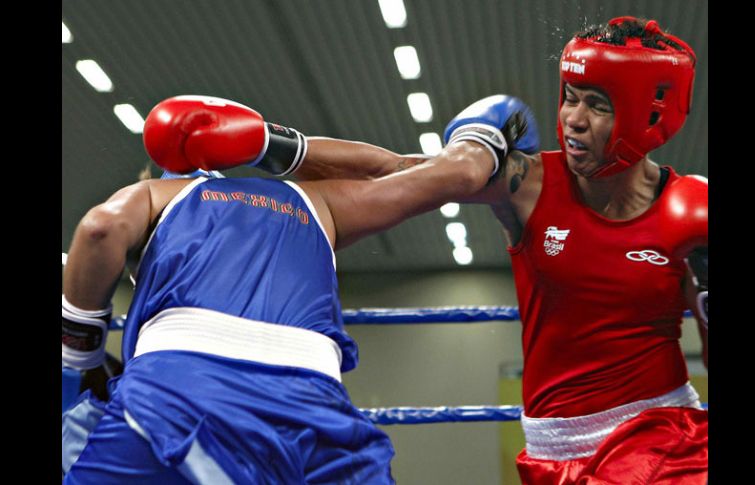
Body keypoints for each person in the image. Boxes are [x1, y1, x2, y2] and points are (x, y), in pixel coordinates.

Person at [145, 16, 708, 484]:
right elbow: (395, 170)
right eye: (570, 99)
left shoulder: (693, 209)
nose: (574, 121)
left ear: (650, 114)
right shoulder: (532, 184)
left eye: (598, 106)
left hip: (661, 437)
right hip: (551, 448)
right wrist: (267, 145)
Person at [61, 117, 499, 481]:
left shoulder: (156, 196)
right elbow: (441, 173)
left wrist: (81, 349)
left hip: (175, 394)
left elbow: (101, 228)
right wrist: (269, 142)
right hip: (315, 413)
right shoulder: (315, 200)